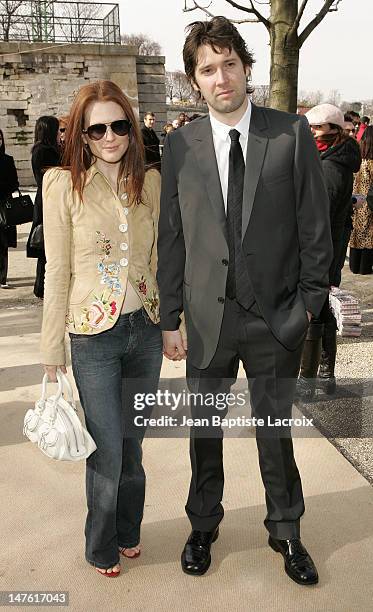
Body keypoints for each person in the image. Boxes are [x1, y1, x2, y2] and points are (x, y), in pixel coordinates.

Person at [157, 16, 332, 585]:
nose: (221, 77)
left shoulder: (289, 134)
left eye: (229, 64)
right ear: (194, 82)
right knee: (203, 433)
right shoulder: (180, 145)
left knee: (274, 434)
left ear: (247, 68)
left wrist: (309, 304)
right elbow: (172, 236)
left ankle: (286, 531)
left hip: (276, 318)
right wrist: (168, 317)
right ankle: (203, 524)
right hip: (207, 319)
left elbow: (314, 226)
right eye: (207, 69)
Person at [40, 80, 163, 577]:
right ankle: (100, 542)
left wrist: (172, 324)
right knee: (107, 450)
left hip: (146, 331)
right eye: (97, 128)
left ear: (131, 130)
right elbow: (57, 268)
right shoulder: (61, 185)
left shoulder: (150, 183)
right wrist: (53, 347)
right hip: (92, 336)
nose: (109, 136)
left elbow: (159, 258)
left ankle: (130, 530)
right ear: (82, 135)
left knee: (133, 448)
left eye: (118, 125)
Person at [297, 104, 361, 398]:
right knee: (321, 309)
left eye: (318, 127)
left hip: (322, 251)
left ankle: (310, 380)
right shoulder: (329, 158)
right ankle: (324, 376)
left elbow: (318, 220)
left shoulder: (330, 167)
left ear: (334, 130)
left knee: (316, 311)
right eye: (310, 127)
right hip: (328, 248)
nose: (312, 132)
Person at [27, 116, 60, 298]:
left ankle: (42, 285)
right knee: (45, 245)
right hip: (48, 199)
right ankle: (41, 286)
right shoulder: (44, 151)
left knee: (47, 246)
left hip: (47, 198)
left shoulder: (43, 149)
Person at [349, 126, 373, 274]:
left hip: (356, 199)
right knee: (368, 233)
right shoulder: (371, 162)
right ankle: (364, 267)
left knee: (356, 232)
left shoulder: (358, 159)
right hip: (368, 201)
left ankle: (354, 266)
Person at [0, 129, 19, 288]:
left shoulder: (7, 160)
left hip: (4, 205)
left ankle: (2, 277)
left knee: (3, 243)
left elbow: (15, 182)